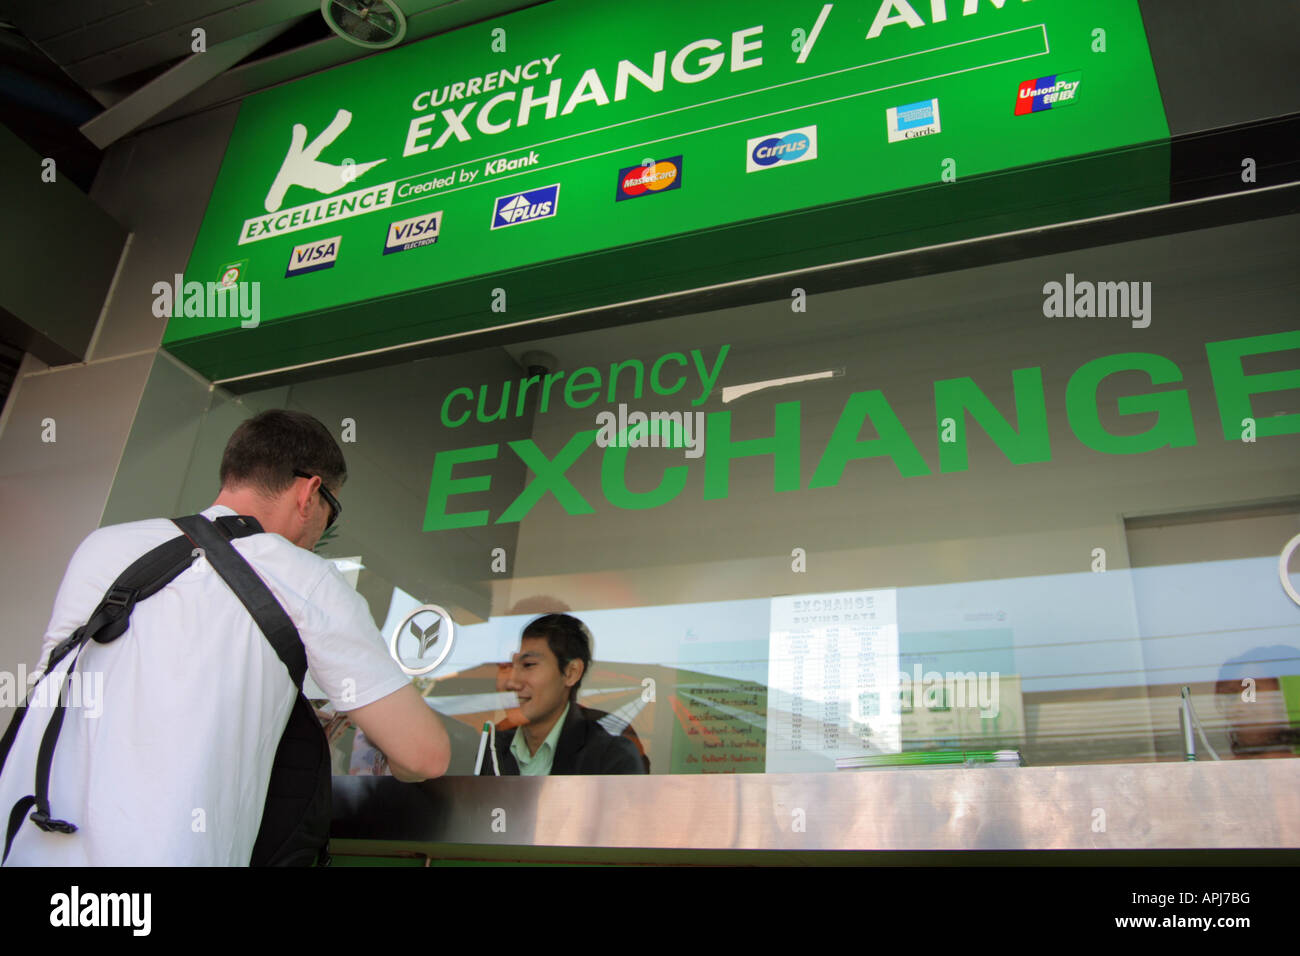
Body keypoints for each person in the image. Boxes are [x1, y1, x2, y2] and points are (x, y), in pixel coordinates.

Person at [0, 409, 450, 865]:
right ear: (310, 493)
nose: (321, 535)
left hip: (30, 849)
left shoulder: (105, 546)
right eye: (331, 515)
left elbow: (61, 689)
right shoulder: (307, 579)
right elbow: (424, 755)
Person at [479, 613, 648, 775]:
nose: (511, 682)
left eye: (528, 664)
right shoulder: (490, 748)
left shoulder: (611, 756)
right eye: (504, 666)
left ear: (571, 672)